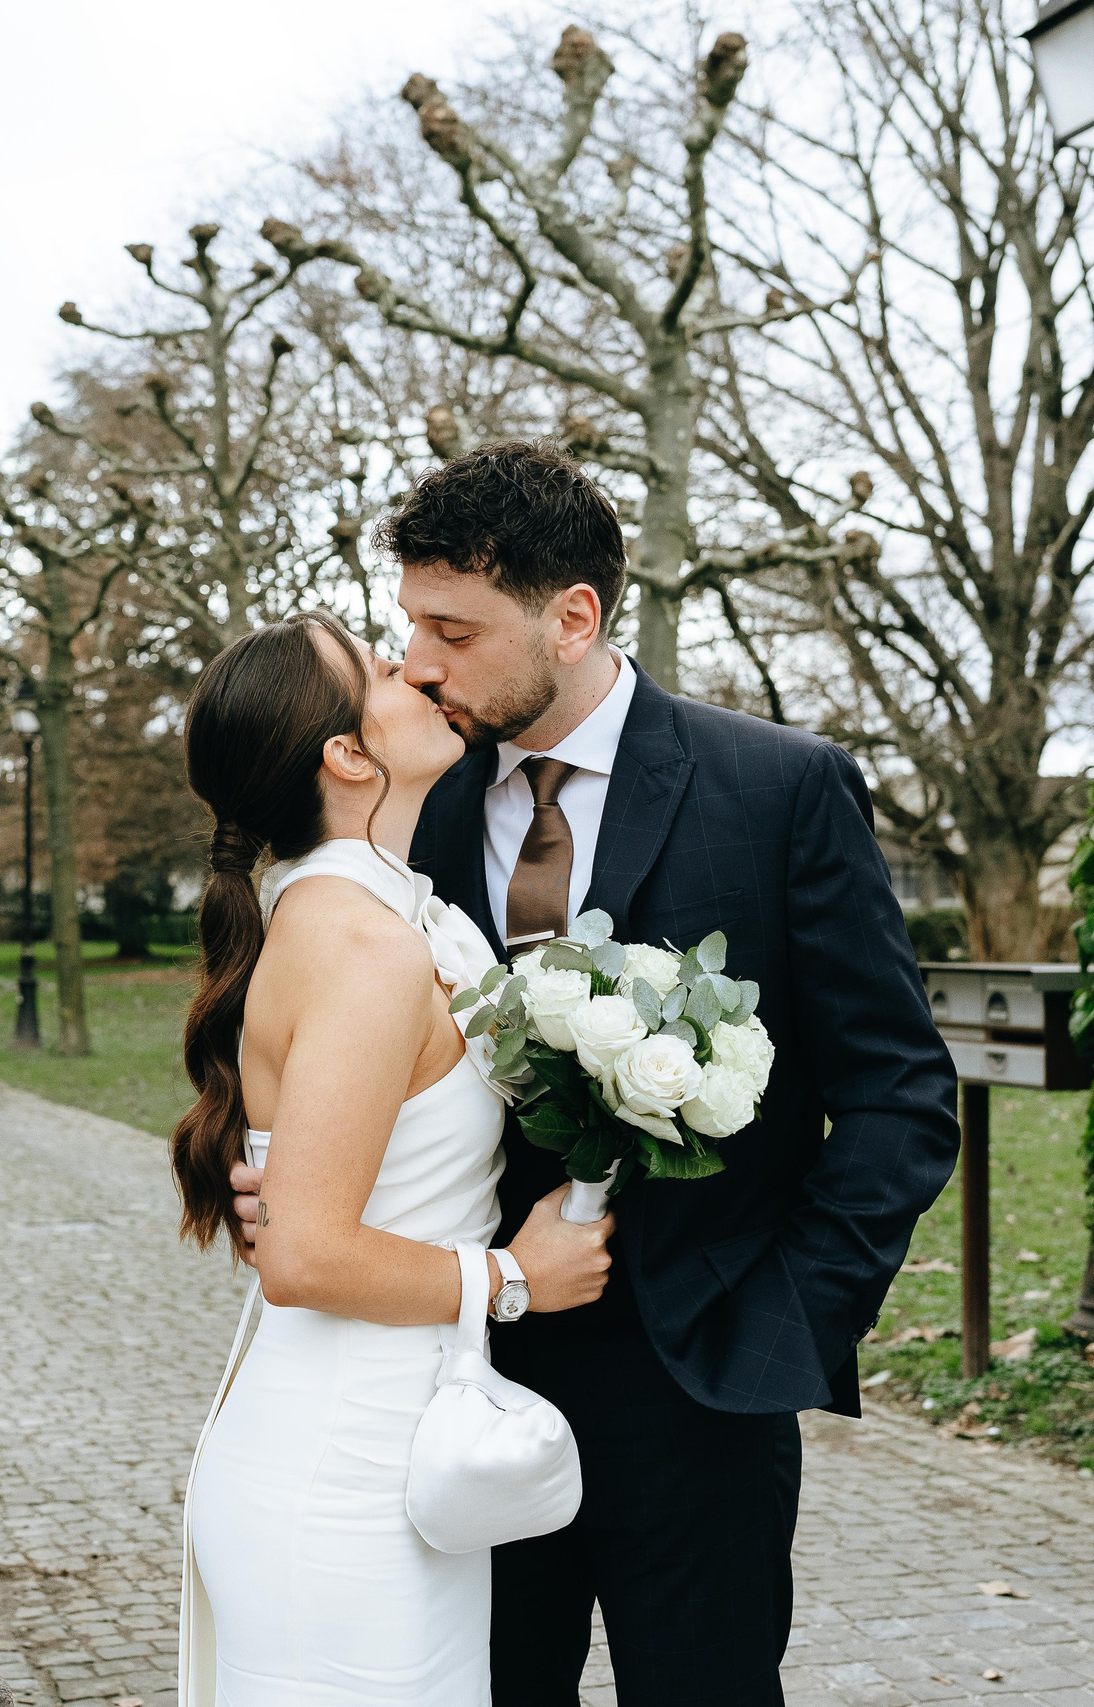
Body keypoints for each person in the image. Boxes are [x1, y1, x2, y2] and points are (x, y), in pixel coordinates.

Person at [230, 443, 961, 1704]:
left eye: (452, 630)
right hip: (458, 1373)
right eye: (409, 626)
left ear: (574, 618)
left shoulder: (779, 788)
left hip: (704, 1379)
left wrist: (788, 1323)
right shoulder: (417, 804)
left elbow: (899, 1095)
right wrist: (283, 1187)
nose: (418, 663)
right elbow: (312, 1028)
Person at [171, 609, 618, 1707]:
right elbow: (303, 1258)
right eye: (377, 666)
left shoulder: (379, 913)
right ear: (347, 754)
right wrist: (516, 1280)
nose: (412, 667)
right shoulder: (359, 941)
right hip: (337, 1479)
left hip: (401, 1461)